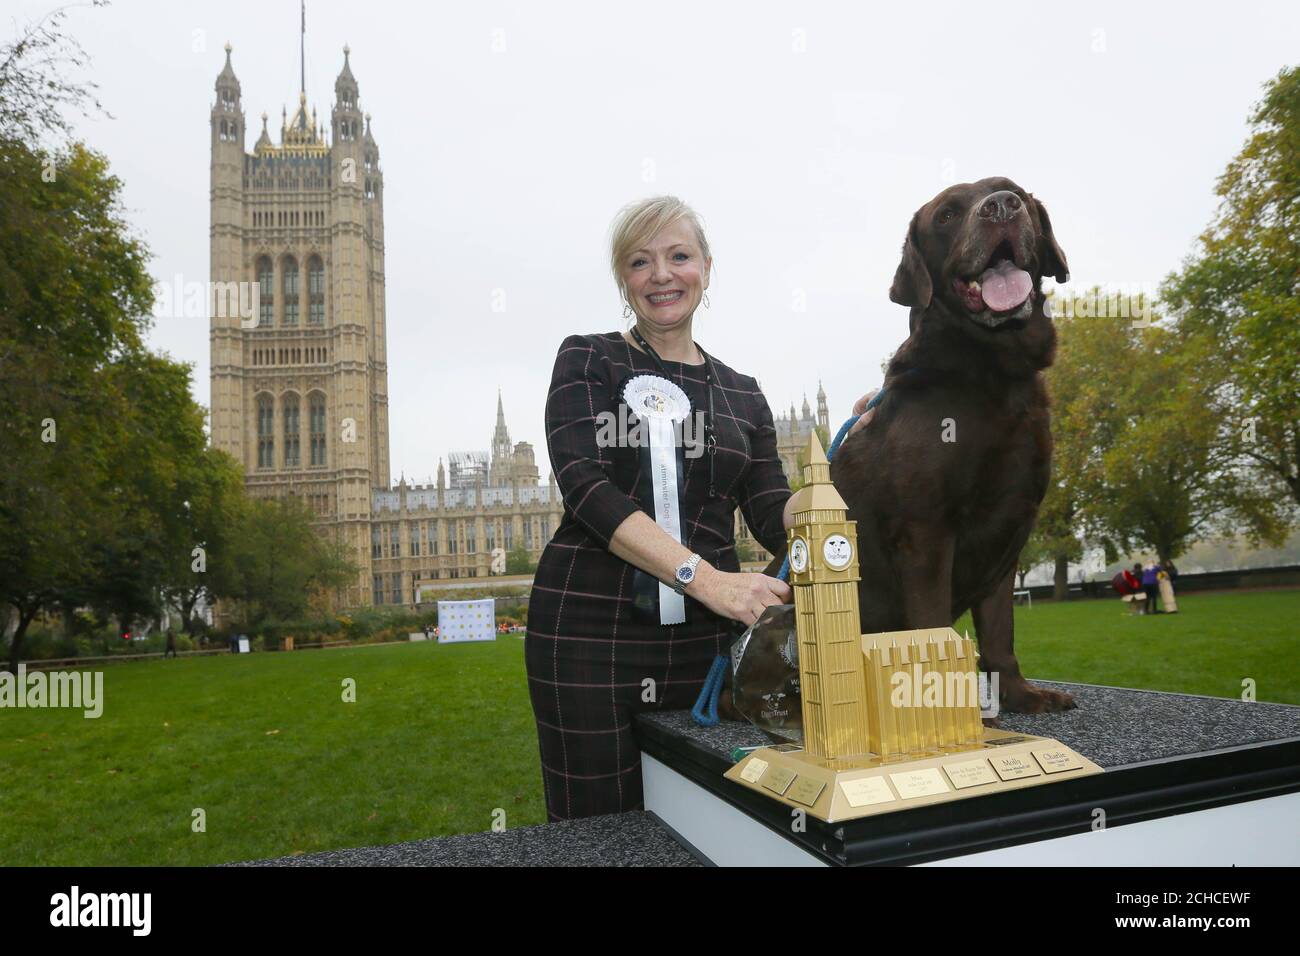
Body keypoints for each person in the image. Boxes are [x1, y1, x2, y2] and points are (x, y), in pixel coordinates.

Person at [525, 195, 876, 821]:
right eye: (640, 261)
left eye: (678, 256)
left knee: (712, 821)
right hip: (588, 634)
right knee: (600, 829)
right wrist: (705, 579)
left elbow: (775, 516)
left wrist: (856, 456)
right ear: (624, 281)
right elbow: (586, 488)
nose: (661, 275)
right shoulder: (588, 359)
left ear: (706, 269)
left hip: (708, 642)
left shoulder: (743, 395)